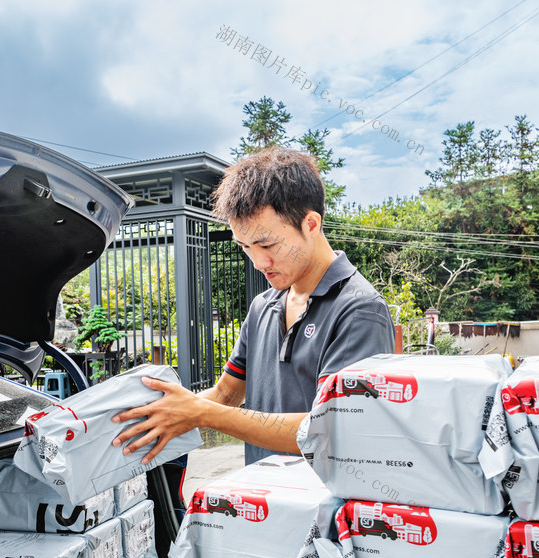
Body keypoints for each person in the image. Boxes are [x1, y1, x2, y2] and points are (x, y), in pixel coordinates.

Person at [111, 146, 394, 465]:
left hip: (322, 507)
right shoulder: (263, 306)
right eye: (245, 246)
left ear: (310, 225)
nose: (259, 262)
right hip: (262, 501)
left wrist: (203, 414)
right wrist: (155, 416)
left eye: (268, 244)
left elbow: (331, 428)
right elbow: (224, 395)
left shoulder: (359, 309)